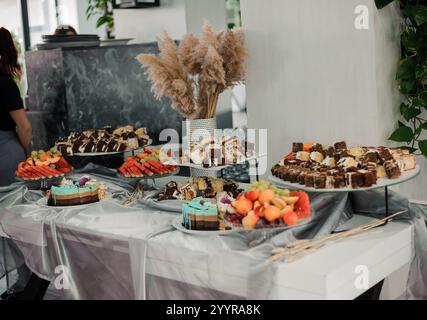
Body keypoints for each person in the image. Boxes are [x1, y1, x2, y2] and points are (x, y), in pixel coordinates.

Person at [0, 27, 32, 187]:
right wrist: (29, 156)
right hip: (6, 153)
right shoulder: (5, 83)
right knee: (13, 208)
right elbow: (24, 127)